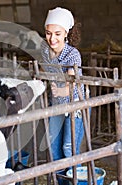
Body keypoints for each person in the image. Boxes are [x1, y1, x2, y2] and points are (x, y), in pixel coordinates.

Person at [40, 7, 85, 184]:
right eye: (48, 33)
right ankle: (61, 182)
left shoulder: (73, 54)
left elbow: (72, 84)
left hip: (74, 105)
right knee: (53, 147)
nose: (52, 38)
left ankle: (75, 180)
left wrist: (60, 90)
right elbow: (44, 68)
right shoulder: (45, 50)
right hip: (56, 104)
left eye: (57, 33)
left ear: (66, 33)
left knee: (68, 147)